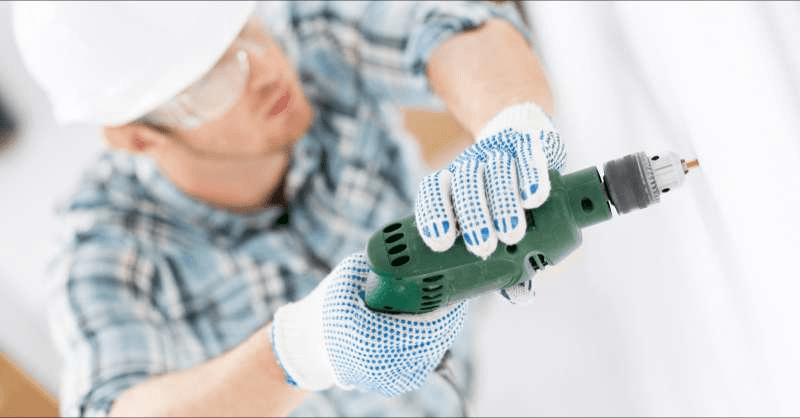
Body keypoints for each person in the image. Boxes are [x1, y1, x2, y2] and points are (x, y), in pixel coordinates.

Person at [12, 2, 565, 416]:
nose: (267, 69)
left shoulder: (306, 40)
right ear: (136, 137)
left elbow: (448, 25)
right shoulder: (103, 252)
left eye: (246, 30)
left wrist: (512, 124)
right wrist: (302, 351)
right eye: (213, 78)